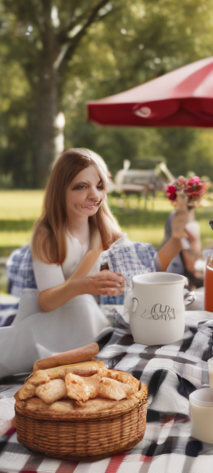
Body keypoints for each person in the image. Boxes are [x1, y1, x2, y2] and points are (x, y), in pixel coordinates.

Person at [0, 148, 187, 378]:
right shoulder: (48, 234)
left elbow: (148, 270)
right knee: (83, 307)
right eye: (81, 186)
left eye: (99, 186)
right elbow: (49, 302)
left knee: (90, 312)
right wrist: (93, 256)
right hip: (45, 328)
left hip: (83, 333)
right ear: (61, 191)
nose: (94, 195)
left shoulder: (104, 227)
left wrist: (177, 239)